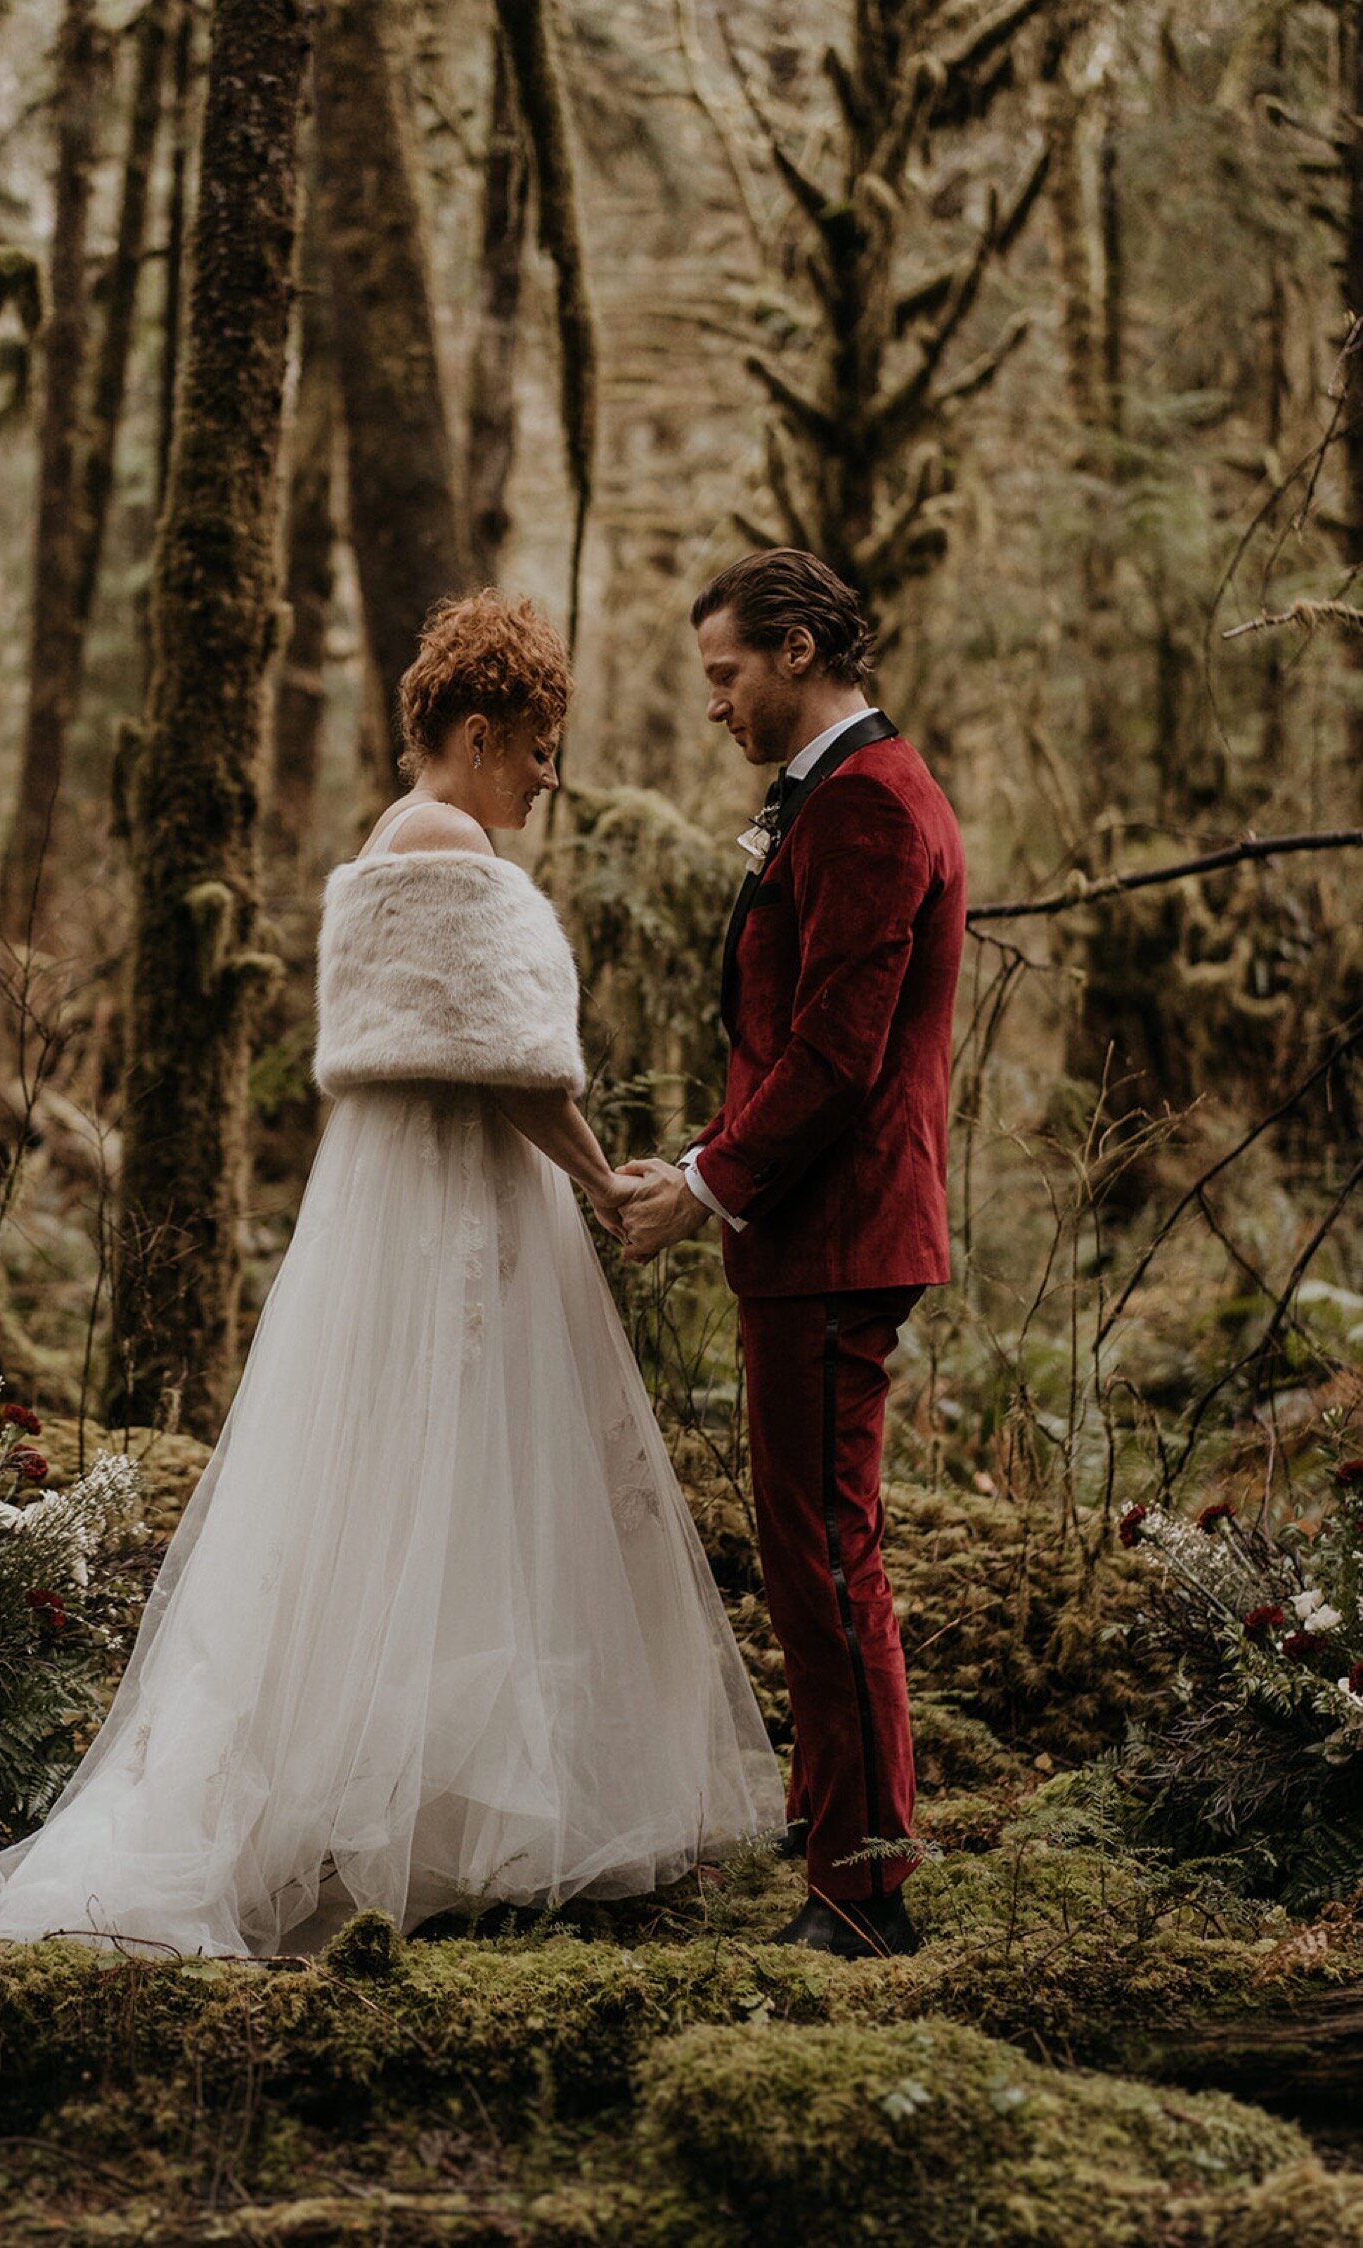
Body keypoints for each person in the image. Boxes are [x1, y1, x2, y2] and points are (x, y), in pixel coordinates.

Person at [0, 591, 783, 1959]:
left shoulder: (396, 843)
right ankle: (422, 1817)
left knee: (434, 1492)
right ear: (479, 731)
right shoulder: (444, 845)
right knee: (459, 1481)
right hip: (455, 1209)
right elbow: (513, 1062)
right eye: (535, 747)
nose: (545, 776)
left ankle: (443, 1810)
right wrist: (609, 1184)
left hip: (428, 1190)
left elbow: (481, 1046)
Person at [617, 550, 967, 1960]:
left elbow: (838, 1054)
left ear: (805, 647)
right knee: (807, 1544)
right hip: (806, 1231)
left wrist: (705, 1186)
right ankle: (832, 1812)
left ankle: (867, 1886)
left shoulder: (874, 801)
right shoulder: (824, 797)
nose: (716, 705)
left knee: (827, 1558)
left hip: (837, 1236)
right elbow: (777, 1039)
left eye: (727, 674)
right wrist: (701, 1160)